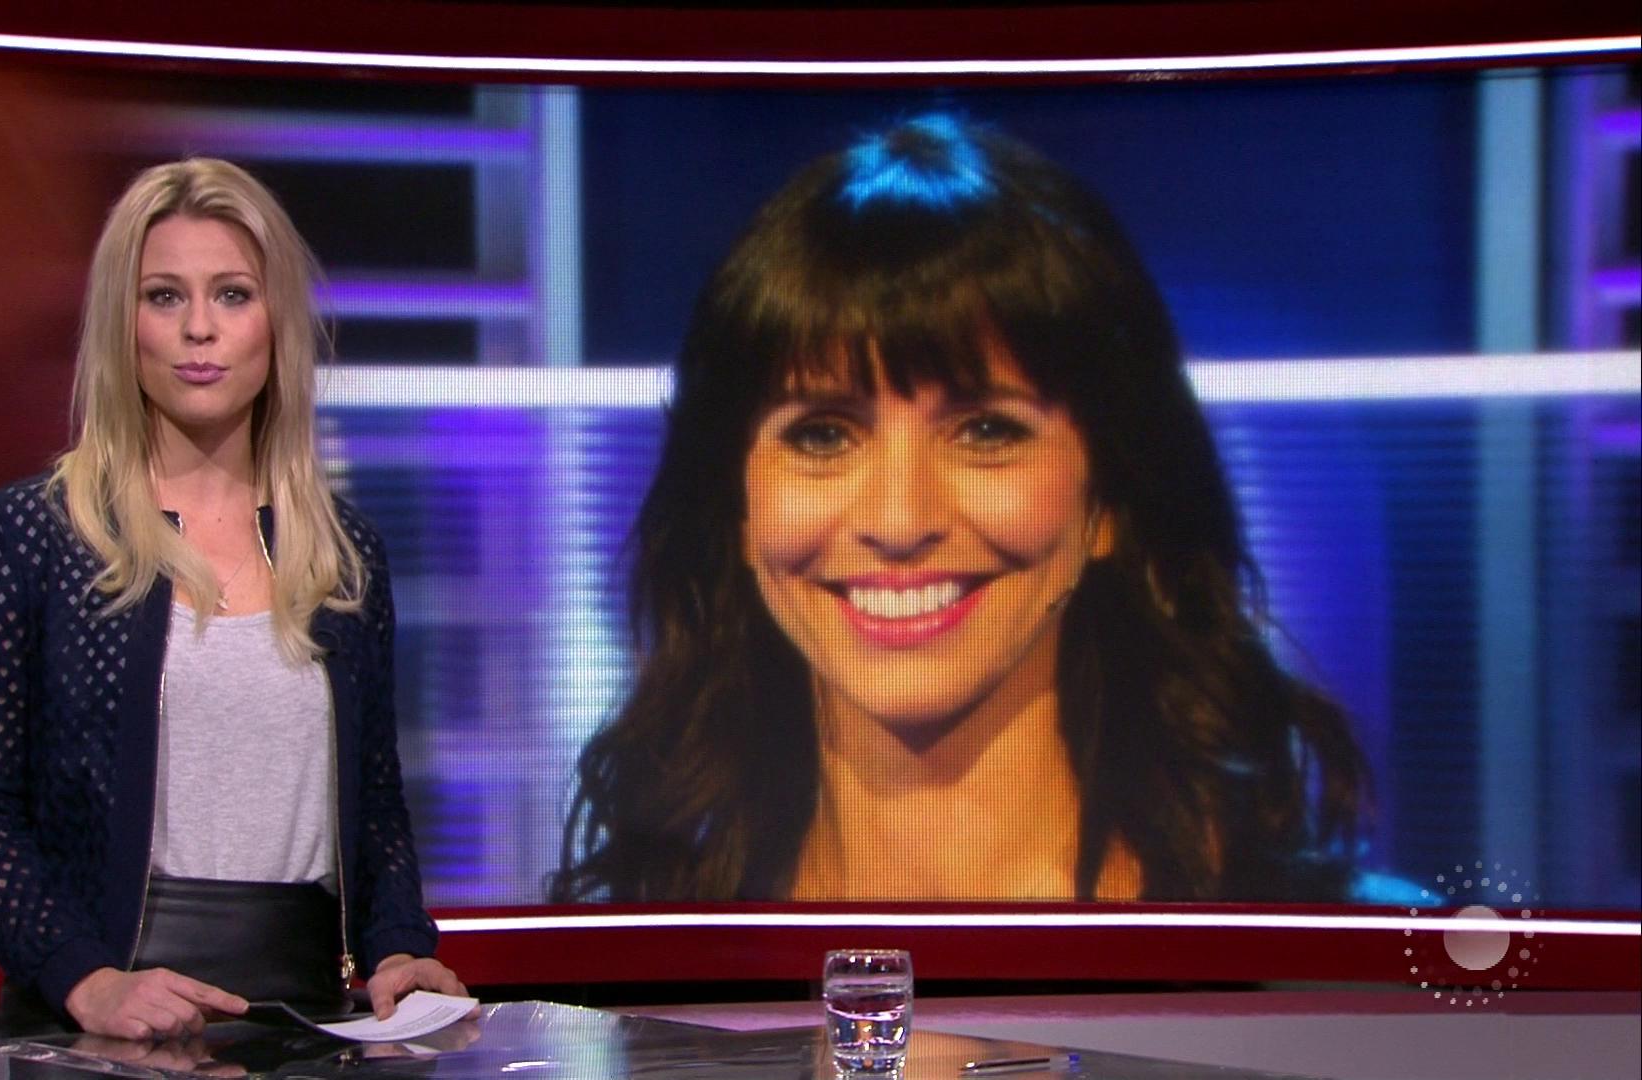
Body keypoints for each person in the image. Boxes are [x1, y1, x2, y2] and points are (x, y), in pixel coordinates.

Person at [552, 115, 1366, 904]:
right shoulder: (633, 959)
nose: (899, 521)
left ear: (1109, 500)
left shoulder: (1326, 955)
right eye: (823, 434)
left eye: (985, 430)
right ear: (737, 506)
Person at [0, 158, 465, 1041]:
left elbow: (374, 804)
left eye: (234, 295)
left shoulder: (344, 554)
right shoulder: (33, 535)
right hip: (102, 1027)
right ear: (121, 322)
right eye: (165, 296)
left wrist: (400, 945)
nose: (200, 328)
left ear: (276, 322)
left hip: (307, 1023)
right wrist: (85, 980)